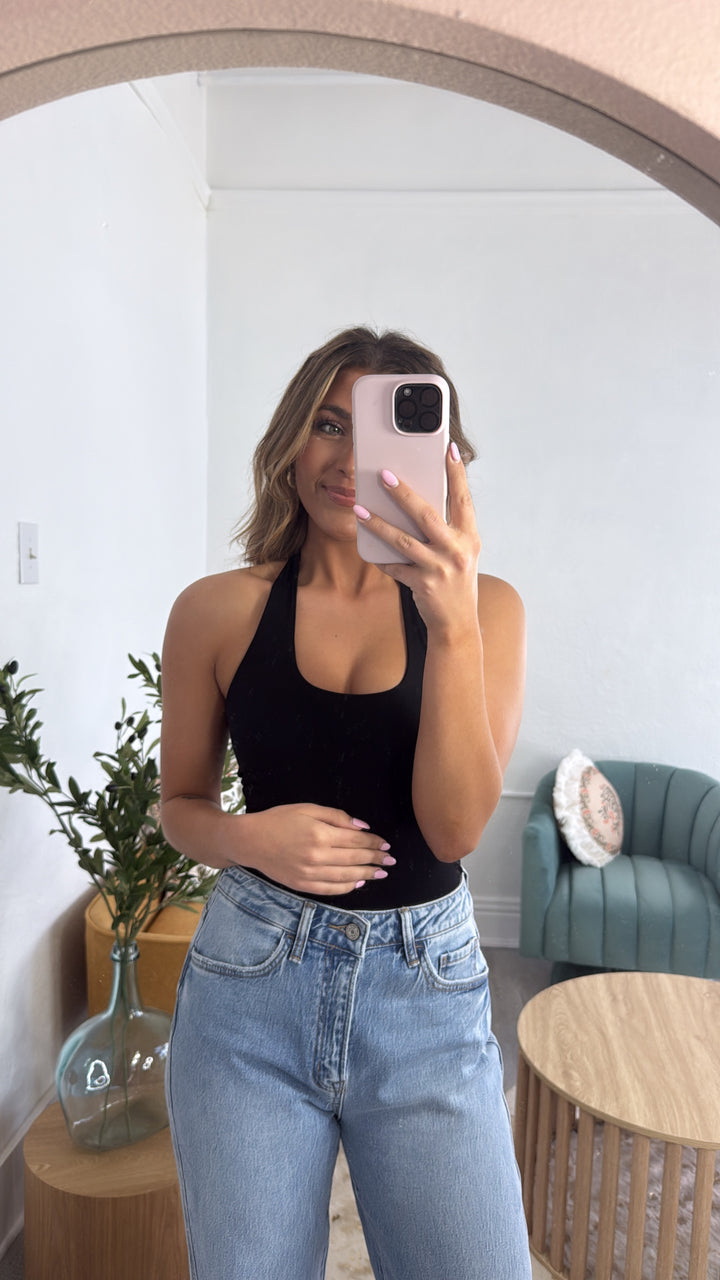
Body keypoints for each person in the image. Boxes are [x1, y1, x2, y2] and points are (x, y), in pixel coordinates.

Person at [160, 326, 531, 1280]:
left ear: (438, 460)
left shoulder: (487, 610)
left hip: (426, 995)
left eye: (381, 434)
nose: (350, 459)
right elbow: (180, 806)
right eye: (330, 423)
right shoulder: (216, 609)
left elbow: (454, 830)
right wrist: (250, 839)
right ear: (291, 437)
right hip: (249, 990)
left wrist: (450, 623)